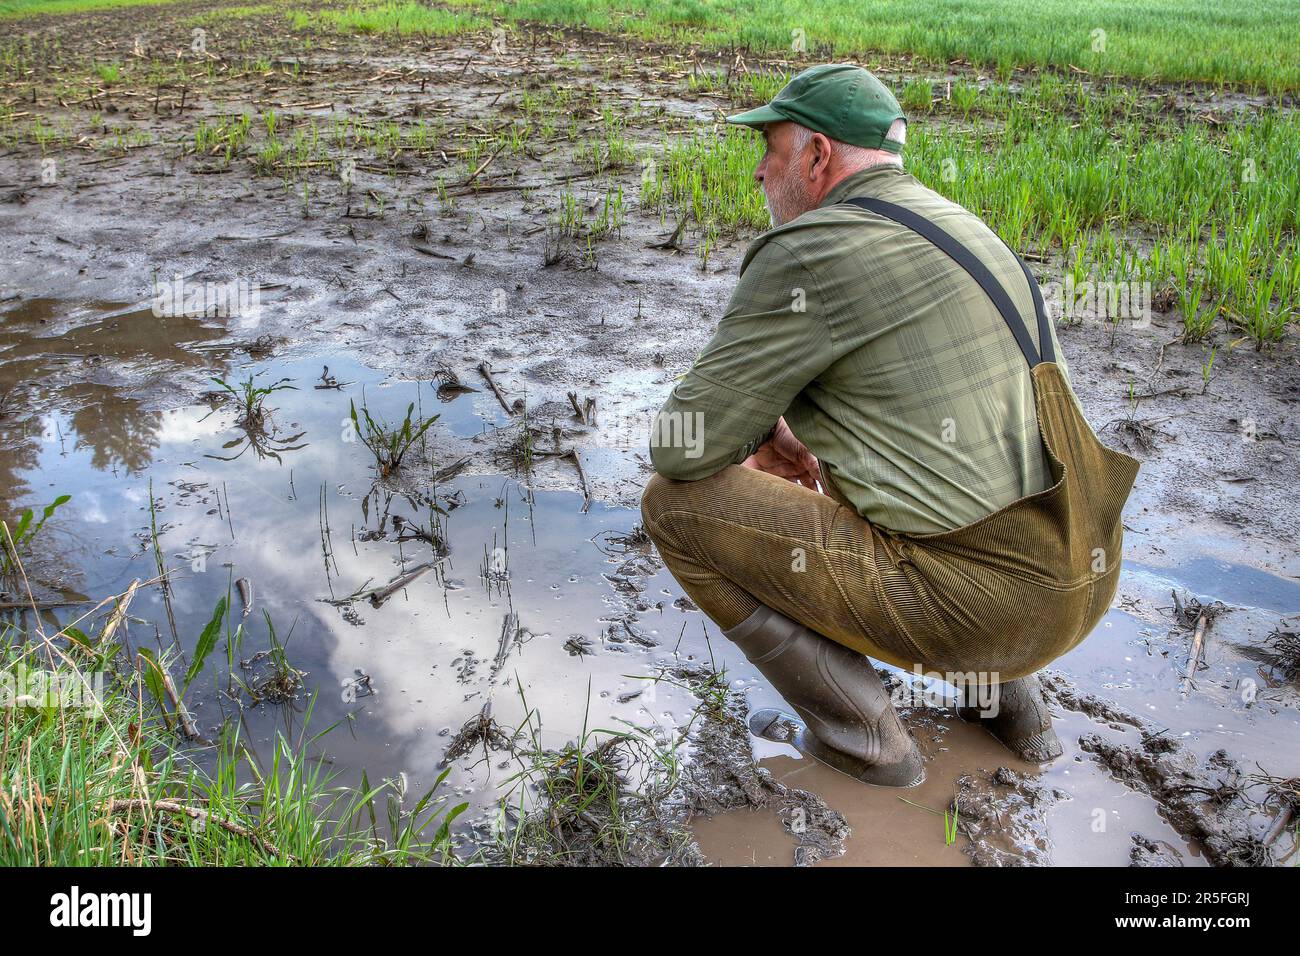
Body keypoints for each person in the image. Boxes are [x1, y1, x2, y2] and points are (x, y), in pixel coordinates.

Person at [640, 64, 1139, 787]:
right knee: (917, 467)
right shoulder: (959, 224)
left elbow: (682, 446)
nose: (757, 172)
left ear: (816, 157)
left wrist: (753, 433)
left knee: (671, 506)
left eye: (770, 150)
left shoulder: (812, 248)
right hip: (1085, 577)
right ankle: (1016, 717)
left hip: (988, 611)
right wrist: (796, 429)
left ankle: (867, 746)